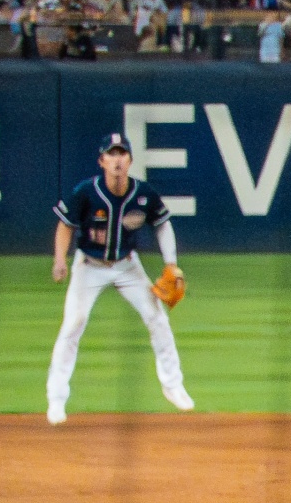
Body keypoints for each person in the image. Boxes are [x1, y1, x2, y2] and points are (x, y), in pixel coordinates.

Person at [47, 133, 192, 425]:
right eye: (111, 154)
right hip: (89, 266)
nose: (117, 160)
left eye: (122, 153)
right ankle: (56, 399)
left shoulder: (143, 194)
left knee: (157, 318)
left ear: (130, 160)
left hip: (127, 266)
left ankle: (173, 385)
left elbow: (163, 225)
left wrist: (171, 263)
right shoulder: (86, 192)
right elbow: (66, 225)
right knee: (73, 323)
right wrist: (60, 259)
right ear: (101, 161)